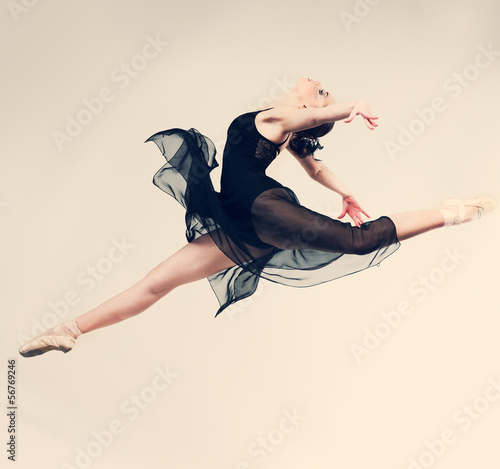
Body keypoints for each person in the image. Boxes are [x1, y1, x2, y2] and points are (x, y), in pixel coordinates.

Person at [19, 77, 495, 357]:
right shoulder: (283, 128)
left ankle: (453, 211)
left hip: (262, 210)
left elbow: (310, 131)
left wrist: (353, 105)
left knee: (360, 241)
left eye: (322, 92)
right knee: (156, 283)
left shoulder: (277, 120)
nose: (316, 84)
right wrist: (347, 191)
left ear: (309, 106)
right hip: (245, 224)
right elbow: (316, 165)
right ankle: (70, 330)